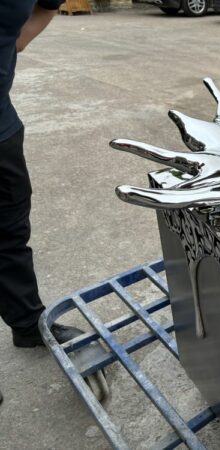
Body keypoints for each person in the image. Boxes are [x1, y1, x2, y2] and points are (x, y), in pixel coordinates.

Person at [0, 1, 83, 402]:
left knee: (11, 232)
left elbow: (44, 9)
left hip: (1, 128)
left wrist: (13, 41)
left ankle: (27, 323)